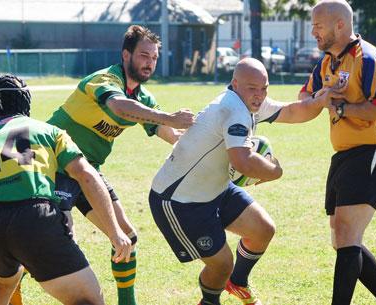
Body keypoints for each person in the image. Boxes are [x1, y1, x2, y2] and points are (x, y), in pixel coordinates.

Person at [3, 25, 195, 305]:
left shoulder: (143, 99)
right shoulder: (103, 80)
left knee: (127, 237)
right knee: (50, 241)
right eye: (144, 55)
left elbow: (171, 135)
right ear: (126, 54)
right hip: (53, 166)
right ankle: (12, 295)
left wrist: (207, 140)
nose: (149, 63)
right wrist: (167, 116)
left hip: (87, 171)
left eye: (154, 58)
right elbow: (119, 107)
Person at [148, 57, 346, 305]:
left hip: (215, 188)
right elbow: (242, 161)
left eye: (264, 88)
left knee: (263, 229)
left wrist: (319, 101)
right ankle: (210, 301)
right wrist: (274, 171)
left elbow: (293, 111)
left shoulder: (250, 103)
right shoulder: (234, 110)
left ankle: (237, 281)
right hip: (179, 200)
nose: (259, 95)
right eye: (252, 88)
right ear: (235, 83)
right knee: (222, 265)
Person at [0, 74, 132, 305]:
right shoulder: (50, 132)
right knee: (88, 300)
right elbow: (87, 175)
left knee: (4, 283)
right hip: (33, 216)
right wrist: (114, 231)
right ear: (25, 101)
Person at [298, 1, 376, 304]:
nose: (313, 31)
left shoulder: (368, 58)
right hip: (342, 156)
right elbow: (305, 94)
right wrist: (322, 97)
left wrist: (342, 105)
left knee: (347, 233)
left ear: (340, 26)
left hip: (370, 150)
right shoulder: (326, 62)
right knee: (342, 239)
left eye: (318, 26)